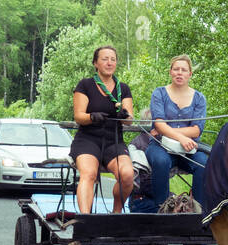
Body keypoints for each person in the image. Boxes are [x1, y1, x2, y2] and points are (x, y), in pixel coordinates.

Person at [71, 45, 135, 214]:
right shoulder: (85, 84)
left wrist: (124, 115)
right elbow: (78, 116)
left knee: (127, 175)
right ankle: (85, 219)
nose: (109, 63)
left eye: (113, 59)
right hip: (88, 139)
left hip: (113, 140)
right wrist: (91, 117)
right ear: (95, 63)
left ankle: (116, 214)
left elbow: (129, 121)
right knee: (89, 174)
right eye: (104, 59)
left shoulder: (123, 88)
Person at [146, 54, 208, 210]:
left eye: (184, 70)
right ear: (170, 72)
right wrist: (180, 136)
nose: (179, 73)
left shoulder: (199, 98)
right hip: (160, 145)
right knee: (161, 161)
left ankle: (198, 211)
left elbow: (196, 130)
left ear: (190, 74)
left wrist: (166, 129)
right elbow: (159, 124)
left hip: (189, 148)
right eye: (176, 69)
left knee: (203, 163)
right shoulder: (159, 93)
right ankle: (161, 209)